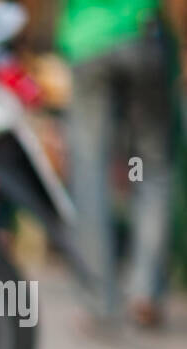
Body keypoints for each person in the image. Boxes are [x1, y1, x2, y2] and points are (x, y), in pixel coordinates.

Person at [45, 0, 182, 329]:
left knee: (91, 176)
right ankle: (144, 291)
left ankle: (100, 301)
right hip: (139, 35)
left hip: (88, 43)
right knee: (148, 169)